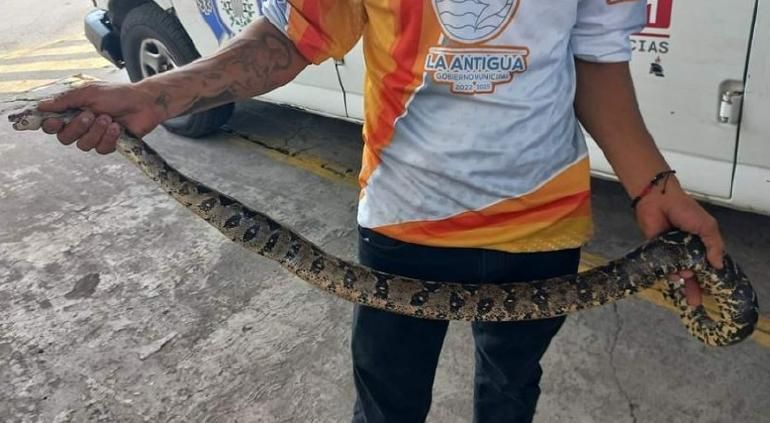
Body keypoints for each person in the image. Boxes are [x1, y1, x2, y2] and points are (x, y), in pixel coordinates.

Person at [39, 1, 725, 422]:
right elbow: (290, 38)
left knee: (511, 387)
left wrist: (653, 186)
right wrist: (155, 96)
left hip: (544, 226)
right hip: (406, 226)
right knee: (388, 402)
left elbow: (596, 57)